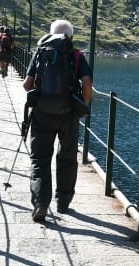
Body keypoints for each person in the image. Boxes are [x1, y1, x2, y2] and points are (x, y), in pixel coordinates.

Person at [22, 19, 93, 222]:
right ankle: (63, 202)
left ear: (50, 34)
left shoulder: (41, 52)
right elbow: (87, 84)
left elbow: (27, 85)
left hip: (41, 114)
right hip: (69, 114)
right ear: (71, 36)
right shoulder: (77, 55)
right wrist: (83, 106)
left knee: (40, 159)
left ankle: (40, 203)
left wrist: (42, 90)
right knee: (68, 158)